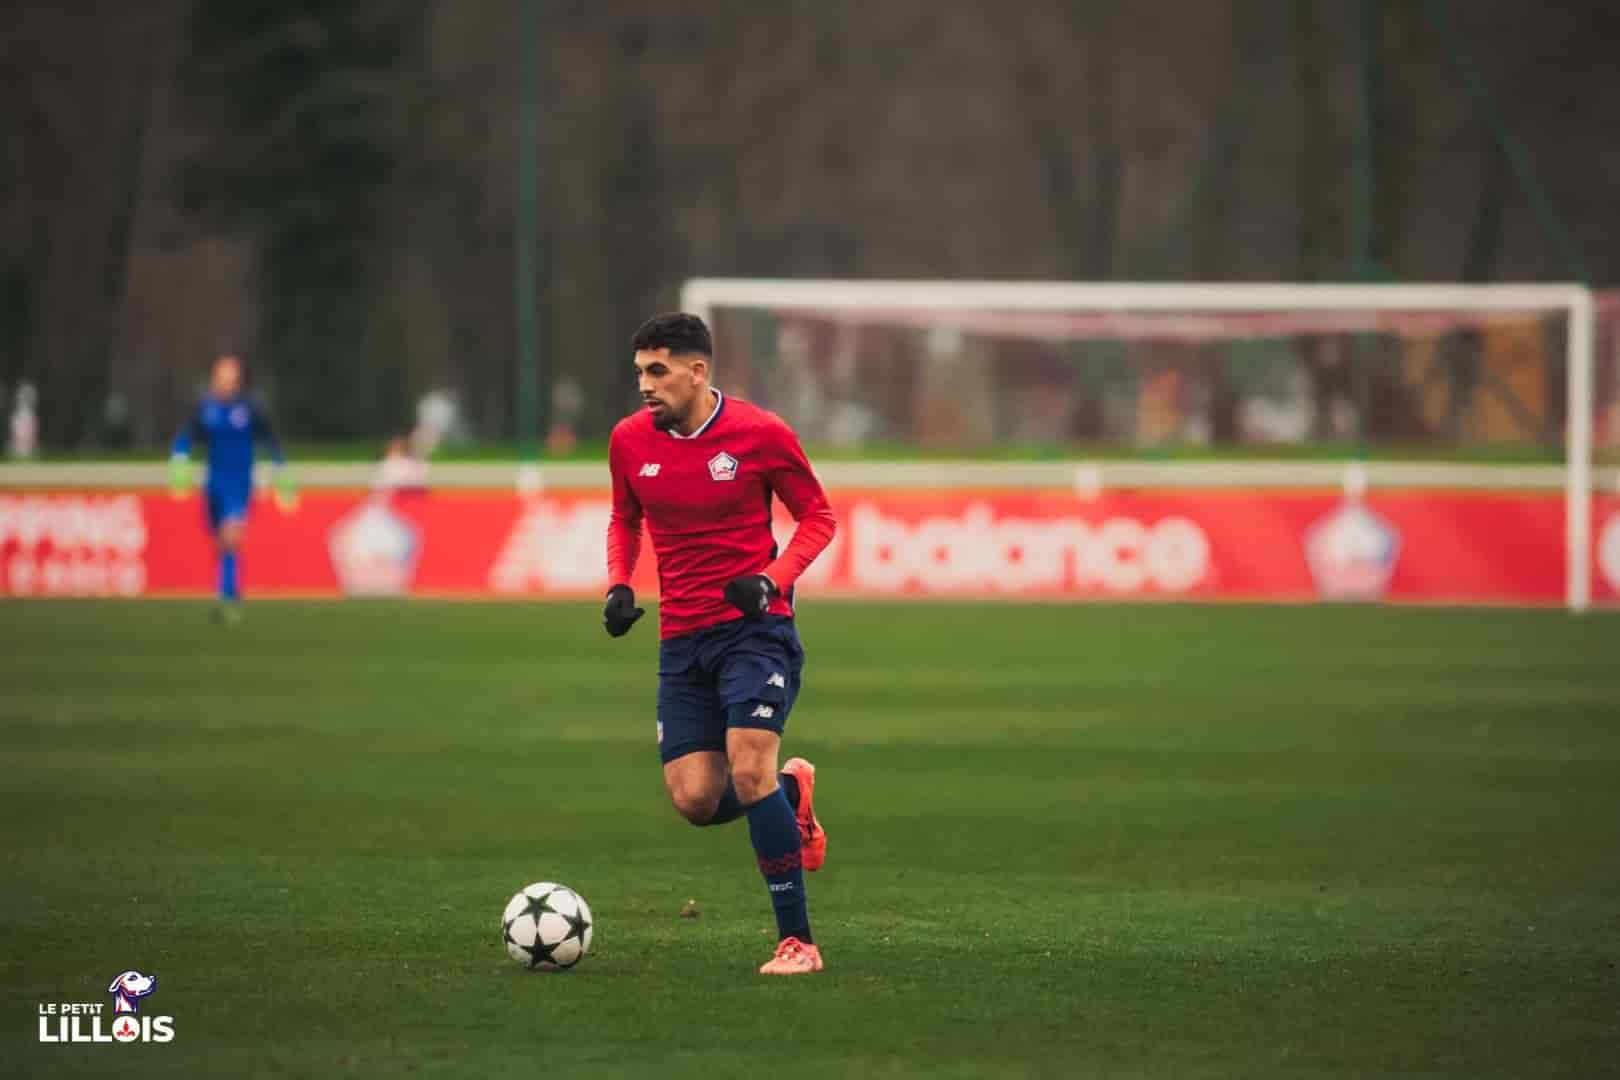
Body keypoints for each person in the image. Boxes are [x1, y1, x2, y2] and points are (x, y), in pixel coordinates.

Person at [604, 313, 837, 976]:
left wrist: (772, 580)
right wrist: (619, 584)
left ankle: (798, 942)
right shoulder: (628, 441)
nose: (645, 386)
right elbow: (625, 517)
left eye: (658, 371)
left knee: (746, 769)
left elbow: (818, 516)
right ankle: (792, 796)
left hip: (755, 633)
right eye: (640, 372)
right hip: (681, 641)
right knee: (696, 800)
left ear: (697, 370)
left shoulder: (760, 434)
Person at [169, 354, 295, 620]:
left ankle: (227, 598)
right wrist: (179, 460)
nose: (227, 383)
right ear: (214, 379)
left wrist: (281, 471)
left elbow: (270, 440)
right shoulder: (206, 409)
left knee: (231, 537)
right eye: (222, 378)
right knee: (221, 542)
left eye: (232, 378)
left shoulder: (250, 409)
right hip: (214, 483)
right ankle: (228, 589)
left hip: (239, 483)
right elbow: (185, 438)